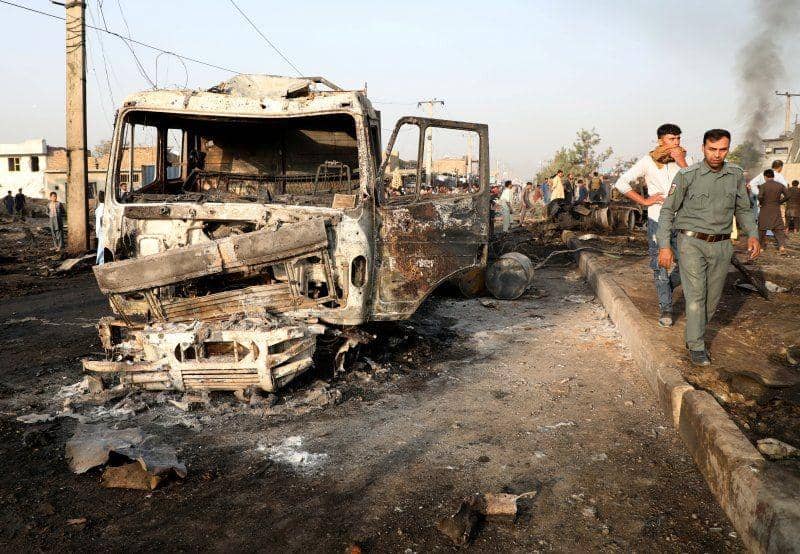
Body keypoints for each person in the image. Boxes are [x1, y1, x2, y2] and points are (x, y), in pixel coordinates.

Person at [657, 128, 760, 366]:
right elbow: (667, 211)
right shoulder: (687, 175)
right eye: (712, 149)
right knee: (696, 296)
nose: (717, 155)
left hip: (722, 245)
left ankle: (695, 334)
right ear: (703, 148)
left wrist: (753, 234)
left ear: (728, 149)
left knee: (712, 300)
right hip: (691, 243)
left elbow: (743, 209)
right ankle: (696, 344)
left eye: (722, 149)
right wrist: (664, 245)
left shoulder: (734, 175)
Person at [614, 123, 688, 327]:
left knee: (689, 264)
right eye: (672, 139)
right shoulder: (648, 161)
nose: (676, 143)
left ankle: (665, 287)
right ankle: (666, 308)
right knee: (661, 266)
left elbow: (697, 183)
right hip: (658, 220)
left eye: (678, 139)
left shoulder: (686, 160)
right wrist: (645, 201)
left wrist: (681, 162)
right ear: (661, 141)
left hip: (683, 221)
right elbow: (621, 183)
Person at [757, 169, 789, 252]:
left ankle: (761, 247)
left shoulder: (763, 186)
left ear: (765, 176)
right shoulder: (780, 185)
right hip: (775, 208)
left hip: (765, 209)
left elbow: (760, 196)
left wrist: (761, 203)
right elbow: (788, 195)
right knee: (778, 228)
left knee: (762, 229)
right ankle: (782, 246)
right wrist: (780, 202)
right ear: (773, 176)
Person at [95, 190, 106, 265]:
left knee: (101, 246)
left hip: (100, 229)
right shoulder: (104, 208)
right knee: (102, 246)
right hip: (102, 229)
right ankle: (101, 262)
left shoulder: (99, 208)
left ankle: (99, 261)